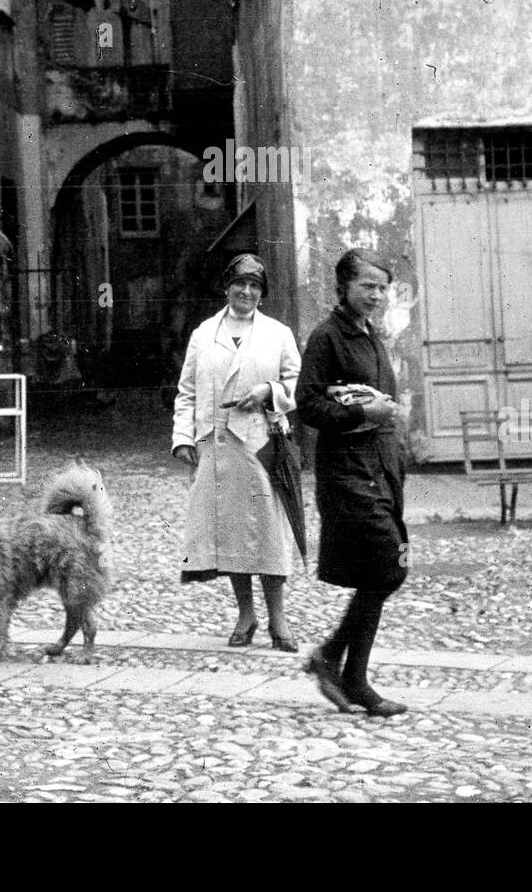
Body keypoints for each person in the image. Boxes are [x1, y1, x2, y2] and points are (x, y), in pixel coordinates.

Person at [295, 248, 409, 717]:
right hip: (347, 472)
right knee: (385, 568)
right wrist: (364, 412)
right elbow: (307, 404)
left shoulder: (370, 335)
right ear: (343, 287)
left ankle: (335, 661)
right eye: (368, 286)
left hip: (378, 468)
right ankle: (352, 676)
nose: (376, 295)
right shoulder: (328, 338)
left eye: (382, 288)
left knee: (383, 571)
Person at [172, 254, 303, 650]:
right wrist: (183, 437)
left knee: (267, 533)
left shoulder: (277, 334)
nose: (246, 292)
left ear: (262, 293)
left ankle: (279, 621)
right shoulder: (204, 333)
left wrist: (270, 392)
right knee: (229, 534)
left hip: (261, 445)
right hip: (218, 447)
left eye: (254, 286)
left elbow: (296, 382)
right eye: (239, 284)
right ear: (227, 286)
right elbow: (187, 391)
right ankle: (246, 616)